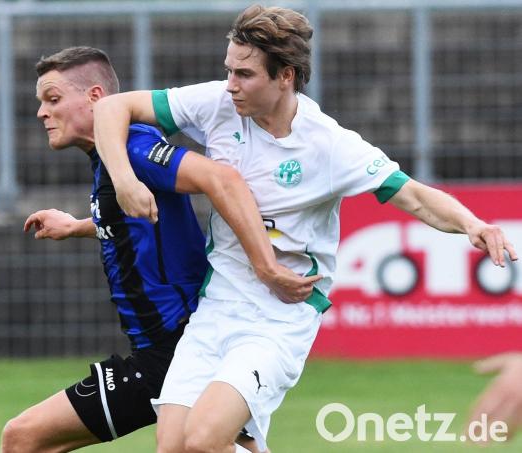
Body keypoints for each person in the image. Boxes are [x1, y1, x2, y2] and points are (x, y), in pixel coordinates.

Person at [92, 5, 518, 452]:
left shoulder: (328, 145)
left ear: (286, 77)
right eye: (229, 71)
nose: (231, 84)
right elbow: (112, 109)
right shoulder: (218, 103)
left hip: (279, 317)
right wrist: (123, 180)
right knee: (173, 446)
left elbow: (412, 195)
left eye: (245, 75)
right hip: (217, 305)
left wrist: (473, 223)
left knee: (202, 440)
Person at [0, 46, 318, 453]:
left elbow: (221, 178)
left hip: (175, 344)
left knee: (23, 437)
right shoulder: (111, 160)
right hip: (160, 347)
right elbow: (144, 224)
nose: (43, 112)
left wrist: (266, 266)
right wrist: (79, 226)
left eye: (54, 99)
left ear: (96, 98)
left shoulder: (133, 149)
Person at [469, 352, 522, 441]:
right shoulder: (515, 358)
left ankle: (475, 435)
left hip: (504, 388)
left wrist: (479, 366)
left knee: (488, 410)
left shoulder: (514, 358)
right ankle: (505, 436)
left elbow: (482, 368)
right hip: (512, 391)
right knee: (510, 414)